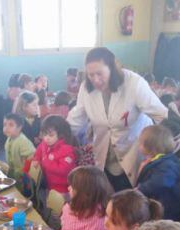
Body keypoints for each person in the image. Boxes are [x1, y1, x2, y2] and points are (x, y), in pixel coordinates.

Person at [68, 47, 168, 190]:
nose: (95, 80)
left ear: (112, 69)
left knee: (128, 200)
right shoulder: (86, 88)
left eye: (99, 74)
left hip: (132, 154)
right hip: (104, 156)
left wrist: (170, 143)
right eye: (91, 75)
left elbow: (161, 115)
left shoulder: (134, 83)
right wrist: (59, 134)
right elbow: (76, 119)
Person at [136, 125, 180, 221]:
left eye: (141, 143)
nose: (138, 146)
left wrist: (141, 189)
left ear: (151, 147)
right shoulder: (166, 160)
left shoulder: (167, 164)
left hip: (166, 209)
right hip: (163, 205)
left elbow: (163, 181)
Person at [59, 166, 113, 230]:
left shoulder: (101, 222)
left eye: (73, 187)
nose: (68, 188)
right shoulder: (69, 208)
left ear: (84, 194)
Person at [30, 115, 77, 196]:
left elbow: (63, 170)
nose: (46, 138)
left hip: (63, 189)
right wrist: (36, 159)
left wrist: (45, 161)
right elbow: (39, 151)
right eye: (44, 134)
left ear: (61, 135)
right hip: (49, 184)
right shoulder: (45, 143)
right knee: (49, 203)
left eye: (51, 135)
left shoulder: (67, 150)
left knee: (60, 207)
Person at [2, 113, 35, 184]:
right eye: (4, 124)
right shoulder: (9, 138)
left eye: (11, 125)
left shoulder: (23, 141)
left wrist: (24, 173)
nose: (6, 128)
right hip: (13, 173)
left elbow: (31, 156)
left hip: (23, 177)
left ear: (19, 128)